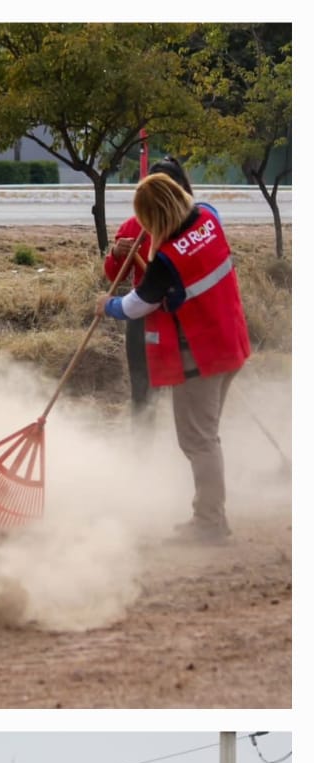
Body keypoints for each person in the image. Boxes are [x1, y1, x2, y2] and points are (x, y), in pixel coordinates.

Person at [97, 170, 251, 544]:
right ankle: (210, 516)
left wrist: (107, 306)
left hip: (200, 356)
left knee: (198, 441)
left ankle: (210, 523)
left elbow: (137, 304)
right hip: (230, 342)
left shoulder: (166, 259)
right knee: (207, 436)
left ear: (154, 217)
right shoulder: (208, 218)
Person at [104, 157, 195, 415]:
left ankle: (187, 438)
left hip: (182, 317)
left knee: (187, 389)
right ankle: (141, 447)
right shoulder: (134, 226)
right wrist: (116, 254)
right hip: (142, 318)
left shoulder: (192, 224)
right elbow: (114, 275)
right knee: (142, 389)